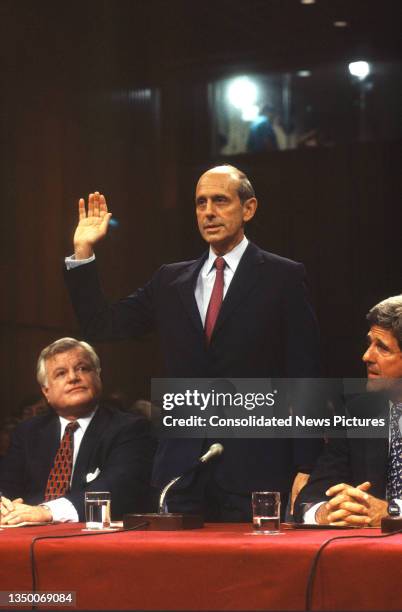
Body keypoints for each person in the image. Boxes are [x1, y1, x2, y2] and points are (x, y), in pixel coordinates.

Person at [64, 164, 321, 521]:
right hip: (181, 471)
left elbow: (305, 376)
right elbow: (102, 325)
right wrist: (83, 254)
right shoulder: (170, 281)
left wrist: (307, 466)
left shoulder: (283, 277)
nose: (209, 212)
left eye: (220, 201)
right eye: (201, 203)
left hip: (257, 470)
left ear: (248, 209)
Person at [0, 338, 154, 525]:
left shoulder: (130, 428)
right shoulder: (28, 432)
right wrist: (5, 506)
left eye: (82, 368)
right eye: (61, 373)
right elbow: (7, 486)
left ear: (98, 376)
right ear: (46, 391)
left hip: (97, 539)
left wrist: (47, 512)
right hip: (28, 535)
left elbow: (116, 488)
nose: (73, 377)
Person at [295, 295, 402, 526]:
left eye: (382, 348)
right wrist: (326, 512)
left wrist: (393, 511)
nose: (366, 357)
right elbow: (309, 499)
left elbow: (384, 512)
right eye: (369, 344)